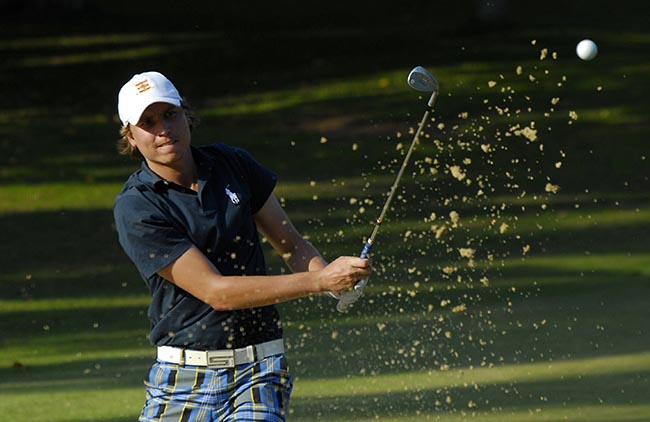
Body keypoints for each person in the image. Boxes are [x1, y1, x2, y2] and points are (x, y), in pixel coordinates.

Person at [113, 71, 371, 422]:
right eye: (148, 122)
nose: (163, 129)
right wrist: (321, 282)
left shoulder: (232, 164)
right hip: (183, 376)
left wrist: (336, 283)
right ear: (130, 136)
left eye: (169, 114)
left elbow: (291, 244)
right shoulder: (138, 206)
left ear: (185, 114)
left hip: (259, 368)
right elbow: (217, 292)